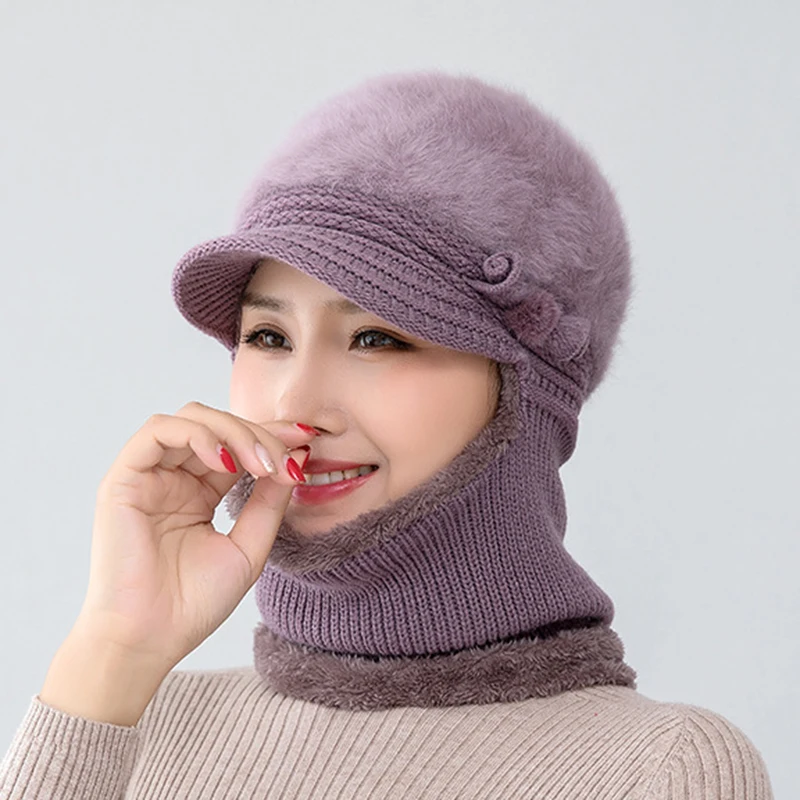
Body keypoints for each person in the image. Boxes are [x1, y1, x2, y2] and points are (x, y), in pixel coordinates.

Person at [0, 69, 773, 799]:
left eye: (376, 338)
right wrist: (115, 647)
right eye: (268, 337)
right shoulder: (135, 717)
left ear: (527, 389)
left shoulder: (659, 769)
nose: (297, 403)